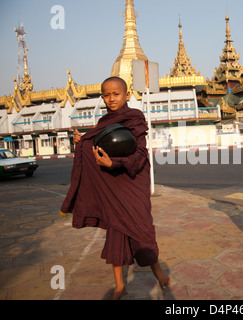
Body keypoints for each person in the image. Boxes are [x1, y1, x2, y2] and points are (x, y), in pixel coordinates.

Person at [60, 76, 171, 299]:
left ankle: (158, 272)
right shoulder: (103, 122)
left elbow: (140, 154)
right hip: (113, 187)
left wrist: (114, 163)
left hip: (132, 183)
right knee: (116, 233)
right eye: (106, 95)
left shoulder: (134, 118)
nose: (111, 99)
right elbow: (97, 146)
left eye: (116, 94)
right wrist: (81, 144)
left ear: (127, 95)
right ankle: (120, 285)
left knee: (142, 231)